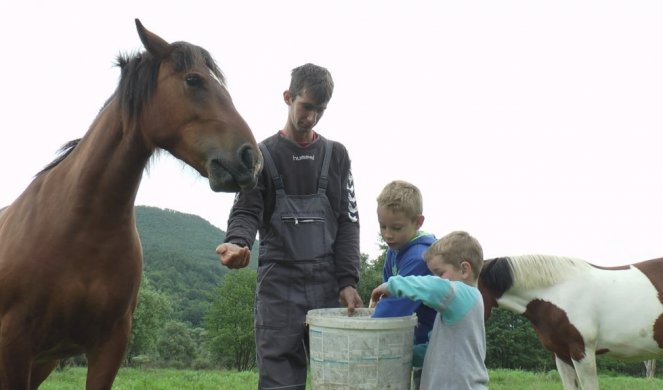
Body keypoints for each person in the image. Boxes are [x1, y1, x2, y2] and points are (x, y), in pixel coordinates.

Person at [216, 63, 363, 390]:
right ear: (288, 97)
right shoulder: (262, 155)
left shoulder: (336, 156)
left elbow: (349, 222)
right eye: (306, 107)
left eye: (320, 110)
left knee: (340, 381)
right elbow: (247, 208)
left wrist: (348, 280)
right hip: (278, 288)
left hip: (328, 285)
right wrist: (238, 242)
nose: (311, 117)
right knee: (279, 383)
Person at [371, 231, 489, 390]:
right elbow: (435, 352)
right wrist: (406, 356)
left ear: (464, 270)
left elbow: (433, 287)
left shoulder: (463, 295)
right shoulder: (458, 306)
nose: (436, 278)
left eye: (439, 273)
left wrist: (391, 285)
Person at [370, 180, 437, 389]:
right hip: (416, 336)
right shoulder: (395, 249)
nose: (388, 234)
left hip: (433, 341)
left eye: (396, 228)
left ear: (418, 222)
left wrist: (365, 330)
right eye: (383, 226)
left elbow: (396, 305)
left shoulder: (419, 257)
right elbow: (387, 290)